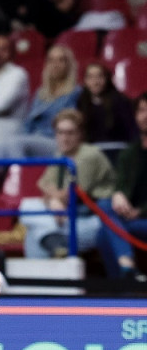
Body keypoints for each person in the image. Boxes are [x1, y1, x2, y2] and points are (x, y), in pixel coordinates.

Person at [19, 109, 115, 259]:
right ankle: (56, 245)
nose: (64, 138)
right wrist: (53, 201)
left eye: (70, 133)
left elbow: (70, 195)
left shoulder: (89, 155)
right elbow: (43, 184)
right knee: (27, 208)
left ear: (81, 134)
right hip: (65, 217)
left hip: (93, 220)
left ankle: (54, 251)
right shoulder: (61, 154)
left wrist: (54, 199)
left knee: (35, 231)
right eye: (60, 132)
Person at [0, 45, 81, 159]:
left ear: (68, 65)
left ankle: (22, 175)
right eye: (51, 60)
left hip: (56, 141)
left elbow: (70, 123)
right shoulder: (40, 93)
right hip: (33, 138)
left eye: (60, 60)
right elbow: (28, 123)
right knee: (2, 145)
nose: (55, 64)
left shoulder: (76, 92)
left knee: (15, 143)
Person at [96, 93, 147, 281]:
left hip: (141, 217)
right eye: (142, 110)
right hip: (129, 219)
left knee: (106, 229)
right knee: (105, 207)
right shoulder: (129, 153)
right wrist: (118, 195)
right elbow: (121, 186)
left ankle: (122, 279)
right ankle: (126, 273)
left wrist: (139, 211)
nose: (145, 115)